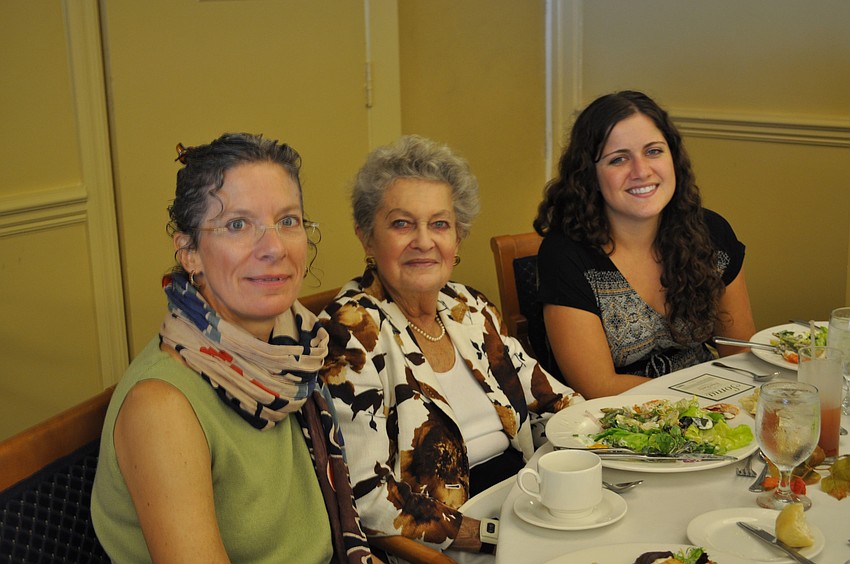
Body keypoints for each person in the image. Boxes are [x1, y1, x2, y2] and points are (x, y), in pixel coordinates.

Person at [91, 133, 373, 563]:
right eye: (238, 225)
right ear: (189, 252)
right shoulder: (162, 408)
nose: (274, 247)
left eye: (288, 220)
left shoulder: (295, 349)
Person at [319, 135, 583, 558]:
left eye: (439, 224)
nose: (424, 241)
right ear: (367, 239)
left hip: (530, 506)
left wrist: (604, 456)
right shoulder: (349, 335)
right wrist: (496, 534)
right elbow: (368, 501)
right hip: (446, 546)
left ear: (457, 239)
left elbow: (556, 401)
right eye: (402, 223)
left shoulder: (468, 308)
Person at [534, 90, 756, 399]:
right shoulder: (566, 256)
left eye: (653, 151)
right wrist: (700, 401)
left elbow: (740, 354)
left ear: (674, 158)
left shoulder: (711, 233)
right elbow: (599, 388)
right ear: (589, 175)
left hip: (718, 412)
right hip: (618, 426)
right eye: (618, 159)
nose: (641, 171)